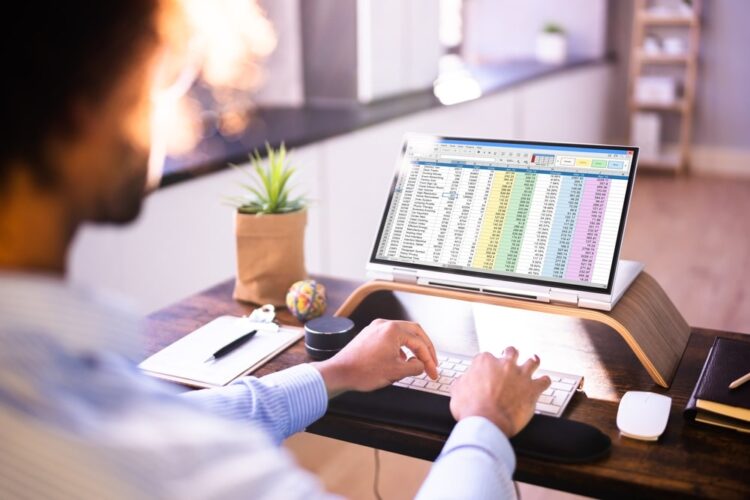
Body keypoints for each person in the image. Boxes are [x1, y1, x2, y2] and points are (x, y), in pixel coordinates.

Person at [0, 1, 551, 498]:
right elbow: (163, 450)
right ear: (87, 108)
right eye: (158, 86)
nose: (174, 127)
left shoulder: (51, 385)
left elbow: (179, 418)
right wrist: (484, 423)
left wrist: (334, 373)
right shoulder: (133, 467)